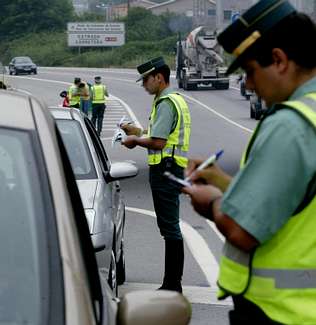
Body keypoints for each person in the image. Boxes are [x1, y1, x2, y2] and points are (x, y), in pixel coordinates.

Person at [183, 1, 316, 324]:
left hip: (281, 312)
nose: (249, 85)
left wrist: (211, 201)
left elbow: (242, 229)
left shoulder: (291, 124)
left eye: (250, 72)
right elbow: (294, 200)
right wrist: (226, 183)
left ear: (279, 60)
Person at [121, 57, 191, 293]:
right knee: (169, 227)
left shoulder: (165, 103)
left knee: (170, 228)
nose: (144, 86)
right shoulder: (174, 100)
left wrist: (133, 141)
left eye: (146, 80)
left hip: (165, 169)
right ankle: (172, 282)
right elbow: (159, 134)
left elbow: (159, 142)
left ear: (159, 78)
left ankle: (173, 284)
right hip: (171, 168)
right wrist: (137, 132)